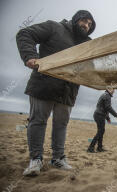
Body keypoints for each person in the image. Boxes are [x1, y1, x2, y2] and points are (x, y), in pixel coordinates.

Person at [16, 10, 96, 176]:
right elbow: (25, 33)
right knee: (38, 121)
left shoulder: (88, 44)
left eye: (89, 24)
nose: (86, 25)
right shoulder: (55, 27)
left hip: (68, 91)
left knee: (61, 125)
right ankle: (36, 159)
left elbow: (91, 67)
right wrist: (30, 56)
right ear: (75, 20)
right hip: (44, 85)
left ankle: (58, 158)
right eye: (84, 21)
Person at [87, 87, 117, 153]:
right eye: (113, 89)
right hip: (99, 115)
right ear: (108, 89)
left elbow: (105, 108)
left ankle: (99, 147)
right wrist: (116, 115)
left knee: (101, 131)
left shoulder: (105, 95)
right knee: (100, 131)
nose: (114, 91)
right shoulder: (107, 96)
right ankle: (91, 147)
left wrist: (108, 118)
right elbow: (108, 107)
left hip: (98, 115)